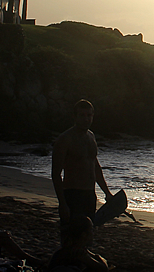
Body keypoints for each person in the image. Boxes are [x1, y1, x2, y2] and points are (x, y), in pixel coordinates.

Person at [52, 100, 113, 238]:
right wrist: (62, 203)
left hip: (90, 195)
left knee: (87, 237)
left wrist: (107, 192)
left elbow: (95, 167)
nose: (86, 119)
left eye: (89, 115)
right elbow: (56, 174)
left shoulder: (91, 137)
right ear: (75, 117)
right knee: (70, 238)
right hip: (72, 195)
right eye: (82, 115)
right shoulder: (65, 139)